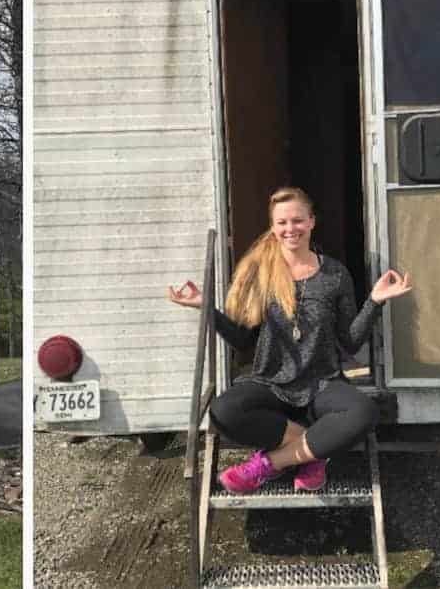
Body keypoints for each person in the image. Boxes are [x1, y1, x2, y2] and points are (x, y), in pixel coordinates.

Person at [167, 187, 412, 494]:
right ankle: (312, 449)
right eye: (281, 222)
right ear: (273, 227)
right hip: (271, 383)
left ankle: (269, 464)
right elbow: (242, 339)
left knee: (364, 412)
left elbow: (350, 341)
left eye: (297, 220)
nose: (290, 229)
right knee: (223, 410)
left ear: (311, 222)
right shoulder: (260, 273)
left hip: (322, 383)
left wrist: (375, 302)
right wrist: (208, 309)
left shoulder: (335, 274)